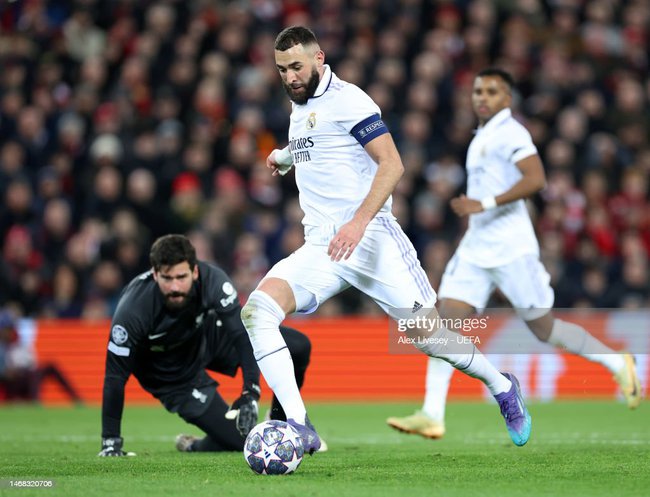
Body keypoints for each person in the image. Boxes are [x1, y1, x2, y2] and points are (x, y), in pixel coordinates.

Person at [240, 26, 532, 454]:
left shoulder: (350, 100)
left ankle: (501, 385)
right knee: (258, 312)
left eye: (297, 67)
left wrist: (357, 223)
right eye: (282, 69)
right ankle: (301, 428)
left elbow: (392, 164)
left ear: (319, 58)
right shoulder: (299, 105)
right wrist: (285, 156)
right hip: (323, 247)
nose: (290, 77)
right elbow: (319, 145)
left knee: (429, 337)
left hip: (372, 240)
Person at [386, 68, 642, 440]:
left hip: (512, 248)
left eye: (492, 91)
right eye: (477, 91)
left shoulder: (512, 132)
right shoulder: (482, 136)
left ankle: (618, 361)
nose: (482, 97)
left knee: (544, 328)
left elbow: (536, 179)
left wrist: (484, 203)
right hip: (476, 247)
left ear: (507, 99)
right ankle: (432, 412)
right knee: (444, 322)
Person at [98, 234, 315, 456]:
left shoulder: (213, 280)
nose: (175, 287)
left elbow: (242, 336)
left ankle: (279, 423)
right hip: (170, 373)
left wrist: (251, 391)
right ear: (155, 274)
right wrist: (110, 441)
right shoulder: (132, 311)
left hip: (206, 337)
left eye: (181, 277)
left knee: (297, 346)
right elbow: (115, 377)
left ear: (194, 271)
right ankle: (194, 445)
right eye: (167, 278)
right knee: (245, 441)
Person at [0, 310, 83, 405]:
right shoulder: (2, 347)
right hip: (12, 382)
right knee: (31, 374)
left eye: (10, 329)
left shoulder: (19, 343)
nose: (9, 332)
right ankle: (35, 400)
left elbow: (31, 361)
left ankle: (75, 398)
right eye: (6, 329)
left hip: (26, 376)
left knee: (49, 366)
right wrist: (6, 372)